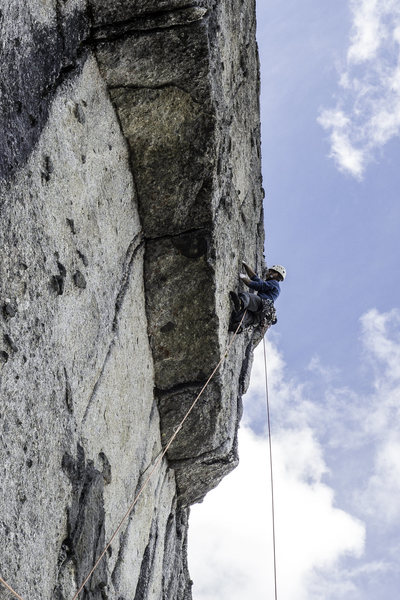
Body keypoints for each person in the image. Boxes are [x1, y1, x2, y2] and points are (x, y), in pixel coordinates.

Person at [229, 262, 286, 332]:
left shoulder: (274, 283)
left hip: (262, 304)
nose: (267, 273)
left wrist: (244, 278)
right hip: (261, 315)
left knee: (248, 297)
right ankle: (238, 326)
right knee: (245, 316)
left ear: (275, 274)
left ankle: (241, 303)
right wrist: (245, 265)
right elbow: (255, 278)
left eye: (270, 271)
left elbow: (258, 286)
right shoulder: (273, 285)